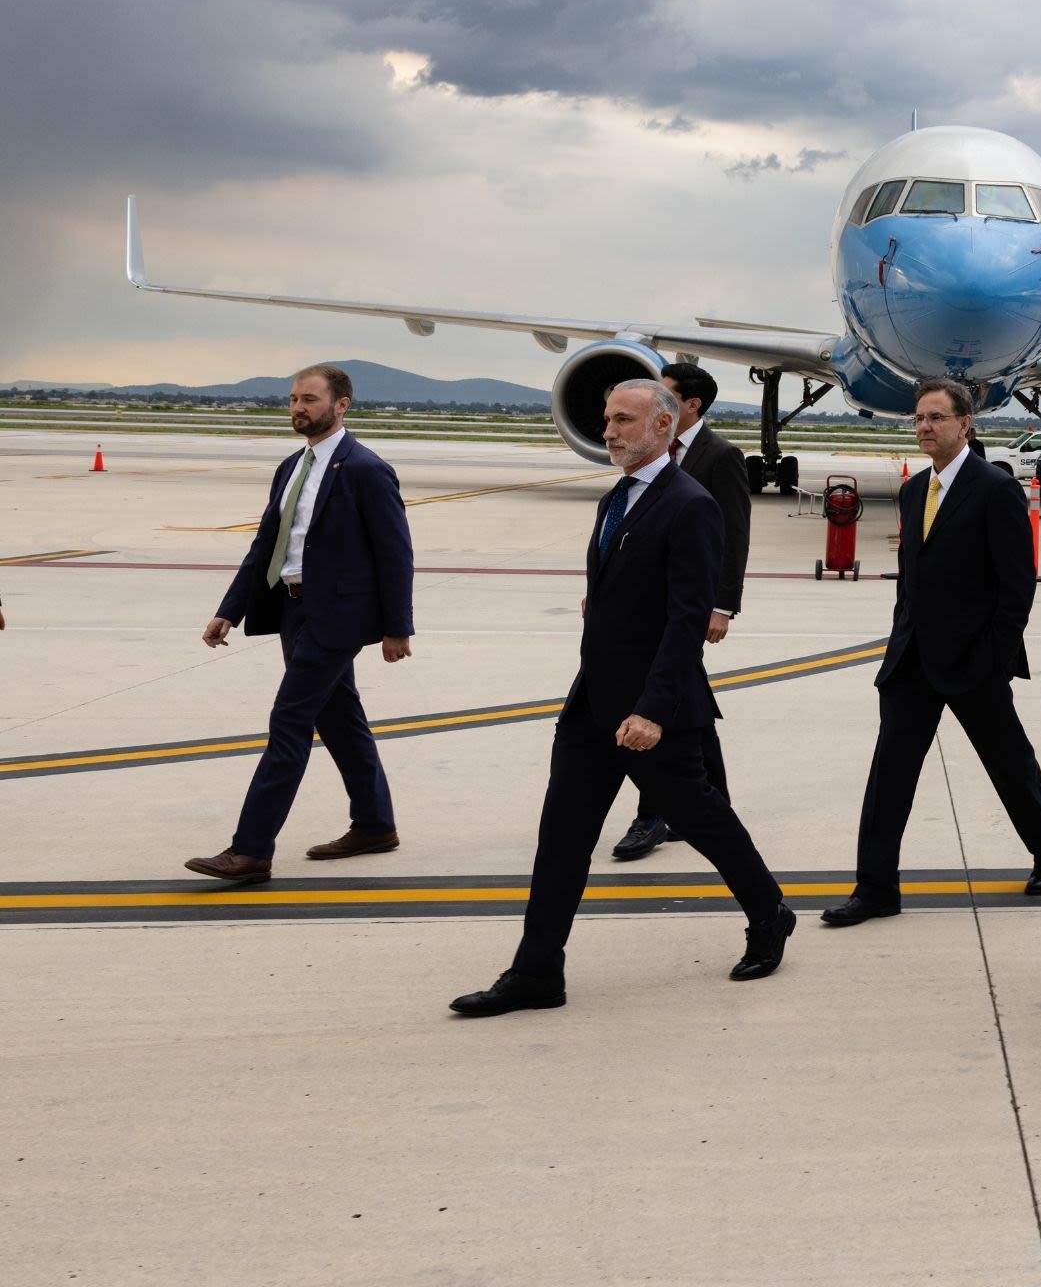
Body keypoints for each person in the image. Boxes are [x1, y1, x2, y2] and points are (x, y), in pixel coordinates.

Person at [449, 380, 792, 1015]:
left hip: (653, 709)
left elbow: (686, 619)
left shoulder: (689, 504)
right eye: (607, 420)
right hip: (592, 704)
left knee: (703, 820)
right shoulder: (617, 497)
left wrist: (653, 710)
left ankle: (769, 911)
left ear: (663, 425)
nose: (608, 432)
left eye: (623, 420)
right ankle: (536, 972)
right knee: (562, 838)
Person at [823, 379, 1041, 927]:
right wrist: (899, 639)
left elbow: (1016, 586)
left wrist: (994, 657)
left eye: (936, 417)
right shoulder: (915, 491)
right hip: (912, 660)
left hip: (974, 661)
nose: (925, 427)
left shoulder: (995, 489)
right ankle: (875, 889)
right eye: (919, 418)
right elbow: (910, 579)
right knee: (889, 776)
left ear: (965, 424)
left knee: (1009, 765)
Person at [186, 365, 414, 885]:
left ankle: (250, 850)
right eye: (293, 399)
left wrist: (397, 627)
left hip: (336, 618)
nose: (297, 408)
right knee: (340, 720)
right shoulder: (292, 466)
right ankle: (375, 825)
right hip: (293, 611)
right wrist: (229, 610)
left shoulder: (366, 469)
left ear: (341, 404)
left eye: (309, 399)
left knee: (288, 722)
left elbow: (395, 553)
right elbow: (267, 545)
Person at [613, 361, 753, 862]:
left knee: (663, 698)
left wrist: (722, 606)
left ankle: (652, 814)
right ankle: (712, 804)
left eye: (665, 393)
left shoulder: (720, 456)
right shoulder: (648, 454)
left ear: (690, 405)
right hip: (647, 607)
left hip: (687, 608)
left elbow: (734, 535)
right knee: (687, 702)